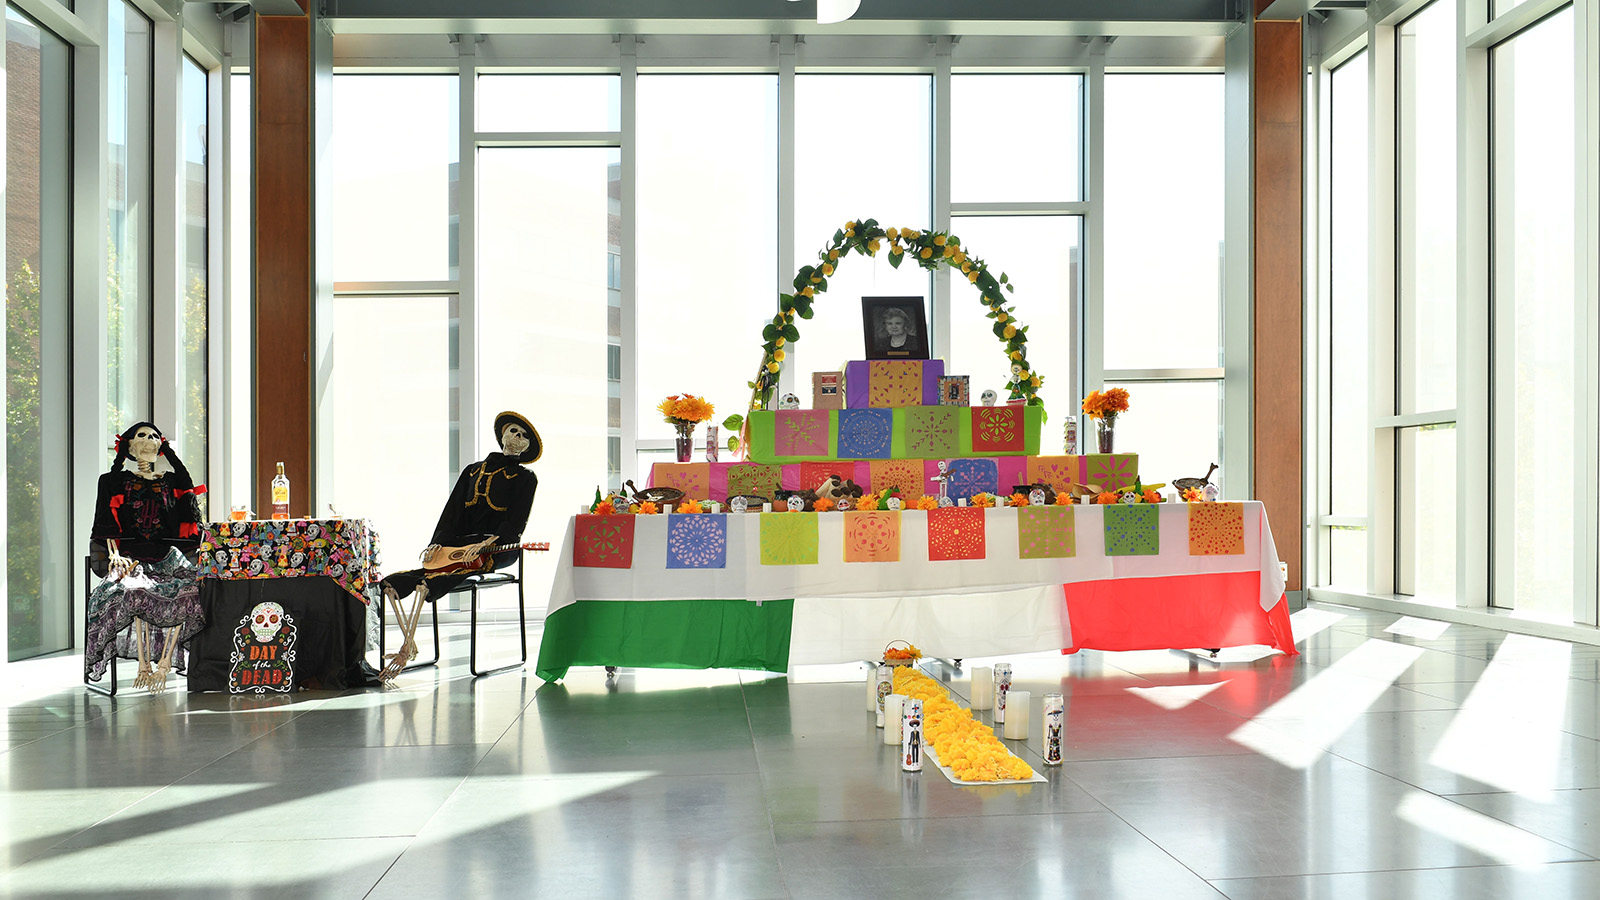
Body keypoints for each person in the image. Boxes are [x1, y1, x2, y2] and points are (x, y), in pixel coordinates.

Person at [379, 411, 541, 680]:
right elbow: (453, 510)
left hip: (498, 548)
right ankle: (409, 643)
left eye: (523, 436)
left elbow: (516, 520)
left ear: (526, 447)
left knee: (434, 580)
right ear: (502, 434)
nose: (517, 437)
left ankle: (407, 646)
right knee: (396, 582)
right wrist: (438, 542)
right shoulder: (473, 470)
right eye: (513, 430)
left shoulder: (526, 477)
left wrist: (490, 542)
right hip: (460, 543)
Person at [85, 422, 208, 691]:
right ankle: (144, 666)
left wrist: (170, 454)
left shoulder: (171, 481)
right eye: (142, 435)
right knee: (135, 590)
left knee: (190, 590)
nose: (149, 439)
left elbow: (188, 503)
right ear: (129, 445)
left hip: (167, 558)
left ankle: (165, 664)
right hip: (131, 558)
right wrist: (113, 554)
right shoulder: (111, 481)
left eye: (154, 436)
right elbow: (105, 520)